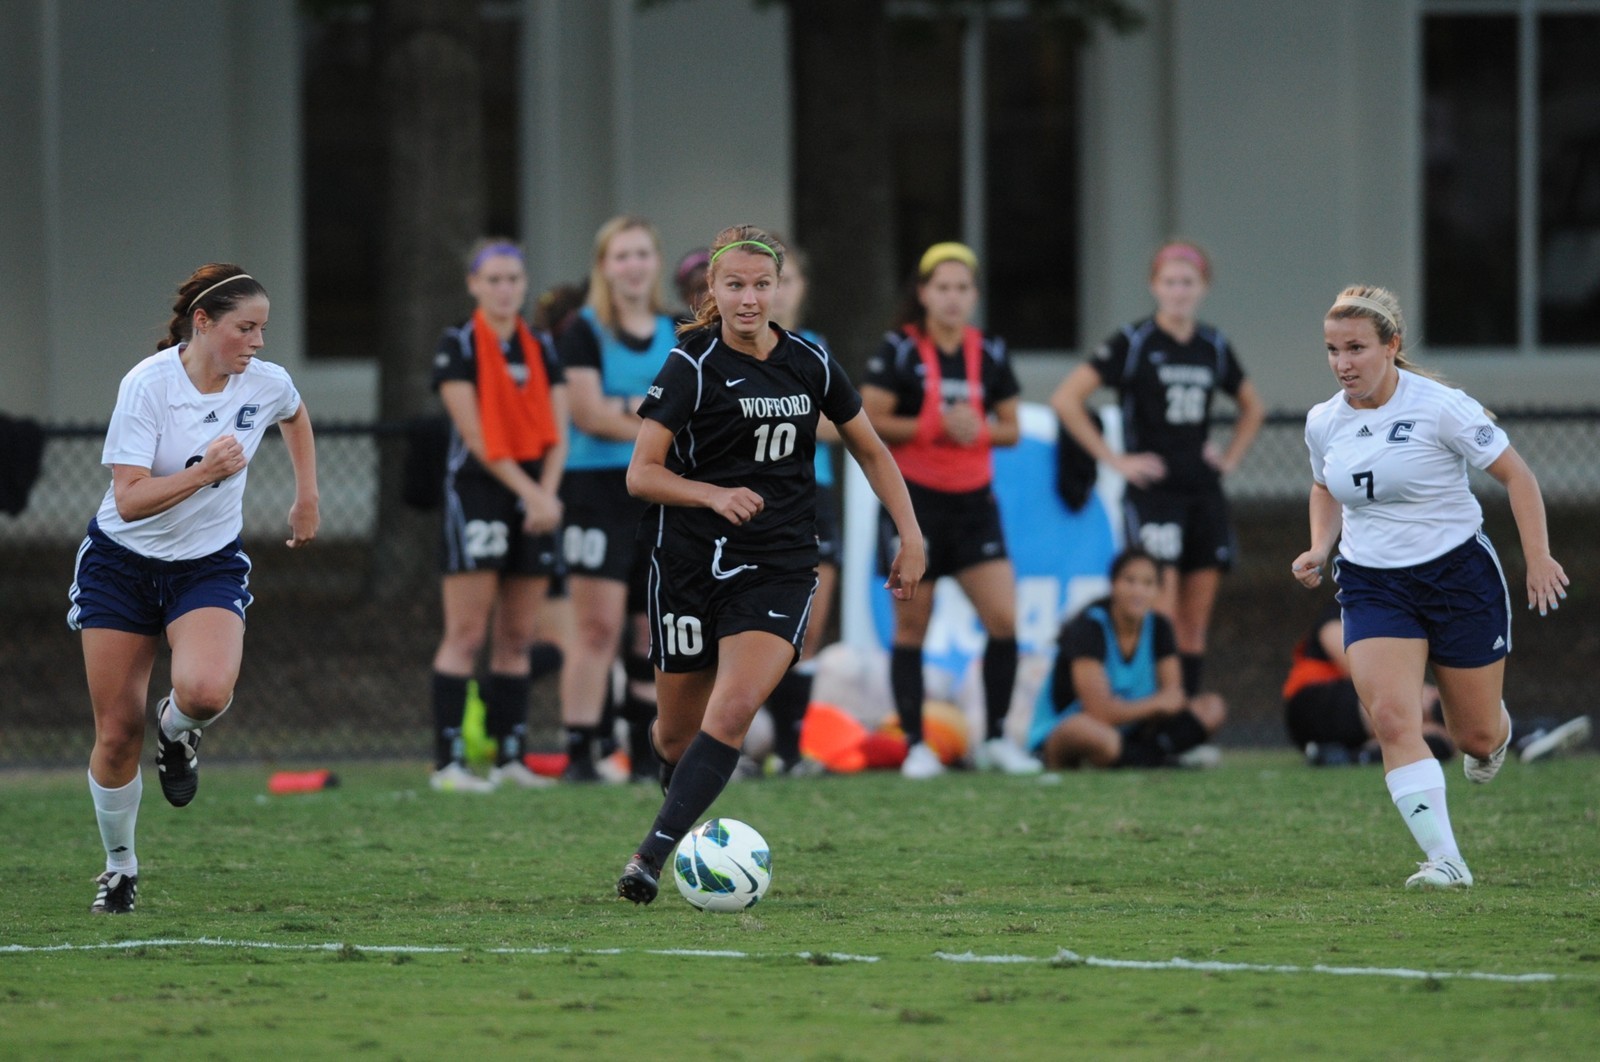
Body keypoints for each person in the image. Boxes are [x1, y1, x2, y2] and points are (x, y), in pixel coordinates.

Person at [614, 225, 924, 904]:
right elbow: (641, 474)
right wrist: (712, 494)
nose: (749, 298)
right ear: (713, 289)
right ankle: (685, 811)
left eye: (761, 284)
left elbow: (870, 449)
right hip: (687, 562)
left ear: (780, 288)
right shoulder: (691, 364)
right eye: (735, 285)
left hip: (779, 562)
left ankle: (649, 858)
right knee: (676, 737)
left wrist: (910, 533)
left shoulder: (810, 362)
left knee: (731, 714)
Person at [1292, 284, 1570, 888]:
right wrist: (1319, 546)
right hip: (1372, 585)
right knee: (1393, 719)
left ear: (1391, 345)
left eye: (1357, 348)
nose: (1343, 363)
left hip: (1457, 577)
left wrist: (1539, 559)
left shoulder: (1442, 406)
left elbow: (1518, 477)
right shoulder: (1324, 421)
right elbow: (1324, 486)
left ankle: (1496, 730)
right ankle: (1446, 859)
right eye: (1333, 350)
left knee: (1474, 736)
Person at [68, 264, 319, 913]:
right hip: (120, 566)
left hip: (206, 565)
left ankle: (176, 731)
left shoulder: (264, 382)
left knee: (205, 692)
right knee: (116, 733)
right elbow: (129, 500)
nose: (257, 342)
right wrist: (204, 473)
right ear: (202, 323)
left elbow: (294, 414)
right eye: (245, 328)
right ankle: (119, 867)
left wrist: (307, 497)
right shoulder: (148, 385)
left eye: (263, 329)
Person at [1051, 241, 1265, 700]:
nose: (1179, 291)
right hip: (1155, 494)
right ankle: (1155, 711)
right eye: (1170, 282)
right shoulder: (1134, 342)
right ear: (1154, 286)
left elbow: (1253, 407)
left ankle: (1183, 717)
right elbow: (1067, 398)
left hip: (1202, 492)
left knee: (1194, 623)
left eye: (1187, 282)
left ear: (1203, 287)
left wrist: (1229, 458)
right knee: (1160, 614)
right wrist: (1115, 459)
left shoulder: (1212, 345)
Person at [861, 242, 1039, 778]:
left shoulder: (991, 352)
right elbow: (867, 420)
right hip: (914, 504)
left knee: (1003, 619)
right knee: (912, 626)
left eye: (962, 288)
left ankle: (996, 740)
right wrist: (931, 425)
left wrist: (977, 429)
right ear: (923, 293)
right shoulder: (899, 350)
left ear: (974, 295)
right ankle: (916, 745)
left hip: (974, 505)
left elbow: (1012, 429)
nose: (953, 298)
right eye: (942, 287)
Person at [427, 238, 567, 792]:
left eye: (513, 279)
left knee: (517, 636)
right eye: (494, 280)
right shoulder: (458, 344)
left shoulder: (541, 345)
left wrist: (546, 494)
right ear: (474, 285)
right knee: (466, 632)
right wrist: (531, 493)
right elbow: (476, 435)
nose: (505, 289)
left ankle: (512, 758)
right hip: (480, 492)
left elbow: (558, 431)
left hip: (534, 493)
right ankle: (449, 764)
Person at [557, 216, 677, 782]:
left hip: (656, 488)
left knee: (651, 628)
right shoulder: (583, 330)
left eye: (642, 254)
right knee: (597, 628)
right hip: (596, 491)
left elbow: (691, 409)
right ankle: (580, 751)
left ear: (656, 262)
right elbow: (589, 414)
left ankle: (644, 751)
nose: (633, 266)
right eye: (622, 255)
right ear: (604, 266)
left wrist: (628, 409)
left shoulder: (677, 330)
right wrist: (658, 417)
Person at [754, 240, 838, 776]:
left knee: (809, 625)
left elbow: (840, 423)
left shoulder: (814, 349)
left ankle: (789, 751)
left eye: (787, 282)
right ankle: (737, 743)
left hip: (811, 495)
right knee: (749, 625)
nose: (779, 293)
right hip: (753, 498)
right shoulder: (731, 350)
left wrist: (777, 416)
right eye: (770, 282)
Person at [1027, 548, 1226, 769]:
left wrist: (1159, 706)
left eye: (1147, 583)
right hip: (1072, 730)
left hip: (1131, 732)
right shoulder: (1089, 628)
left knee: (1212, 707)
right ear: (1113, 584)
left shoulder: (1160, 627)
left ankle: (1141, 756)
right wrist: (1155, 704)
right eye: (1130, 581)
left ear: (1158, 591)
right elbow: (1099, 712)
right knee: (1089, 732)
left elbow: (1174, 699)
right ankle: (1157, 757)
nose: (1137, 591)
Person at [1284, 599, 1454, 766]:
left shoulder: (1396, 616)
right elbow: (1356, 665)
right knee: (1418, 700)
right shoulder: (1342, 610)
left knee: (1441, 740)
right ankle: (1454, 710)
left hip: (1361, 710)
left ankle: (1350, 756)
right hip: (1313, 703)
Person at [673, 247, 711, 318]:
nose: (709, 296)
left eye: (714, 287)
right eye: (700, 291)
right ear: (685, 296)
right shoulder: (671, 324)